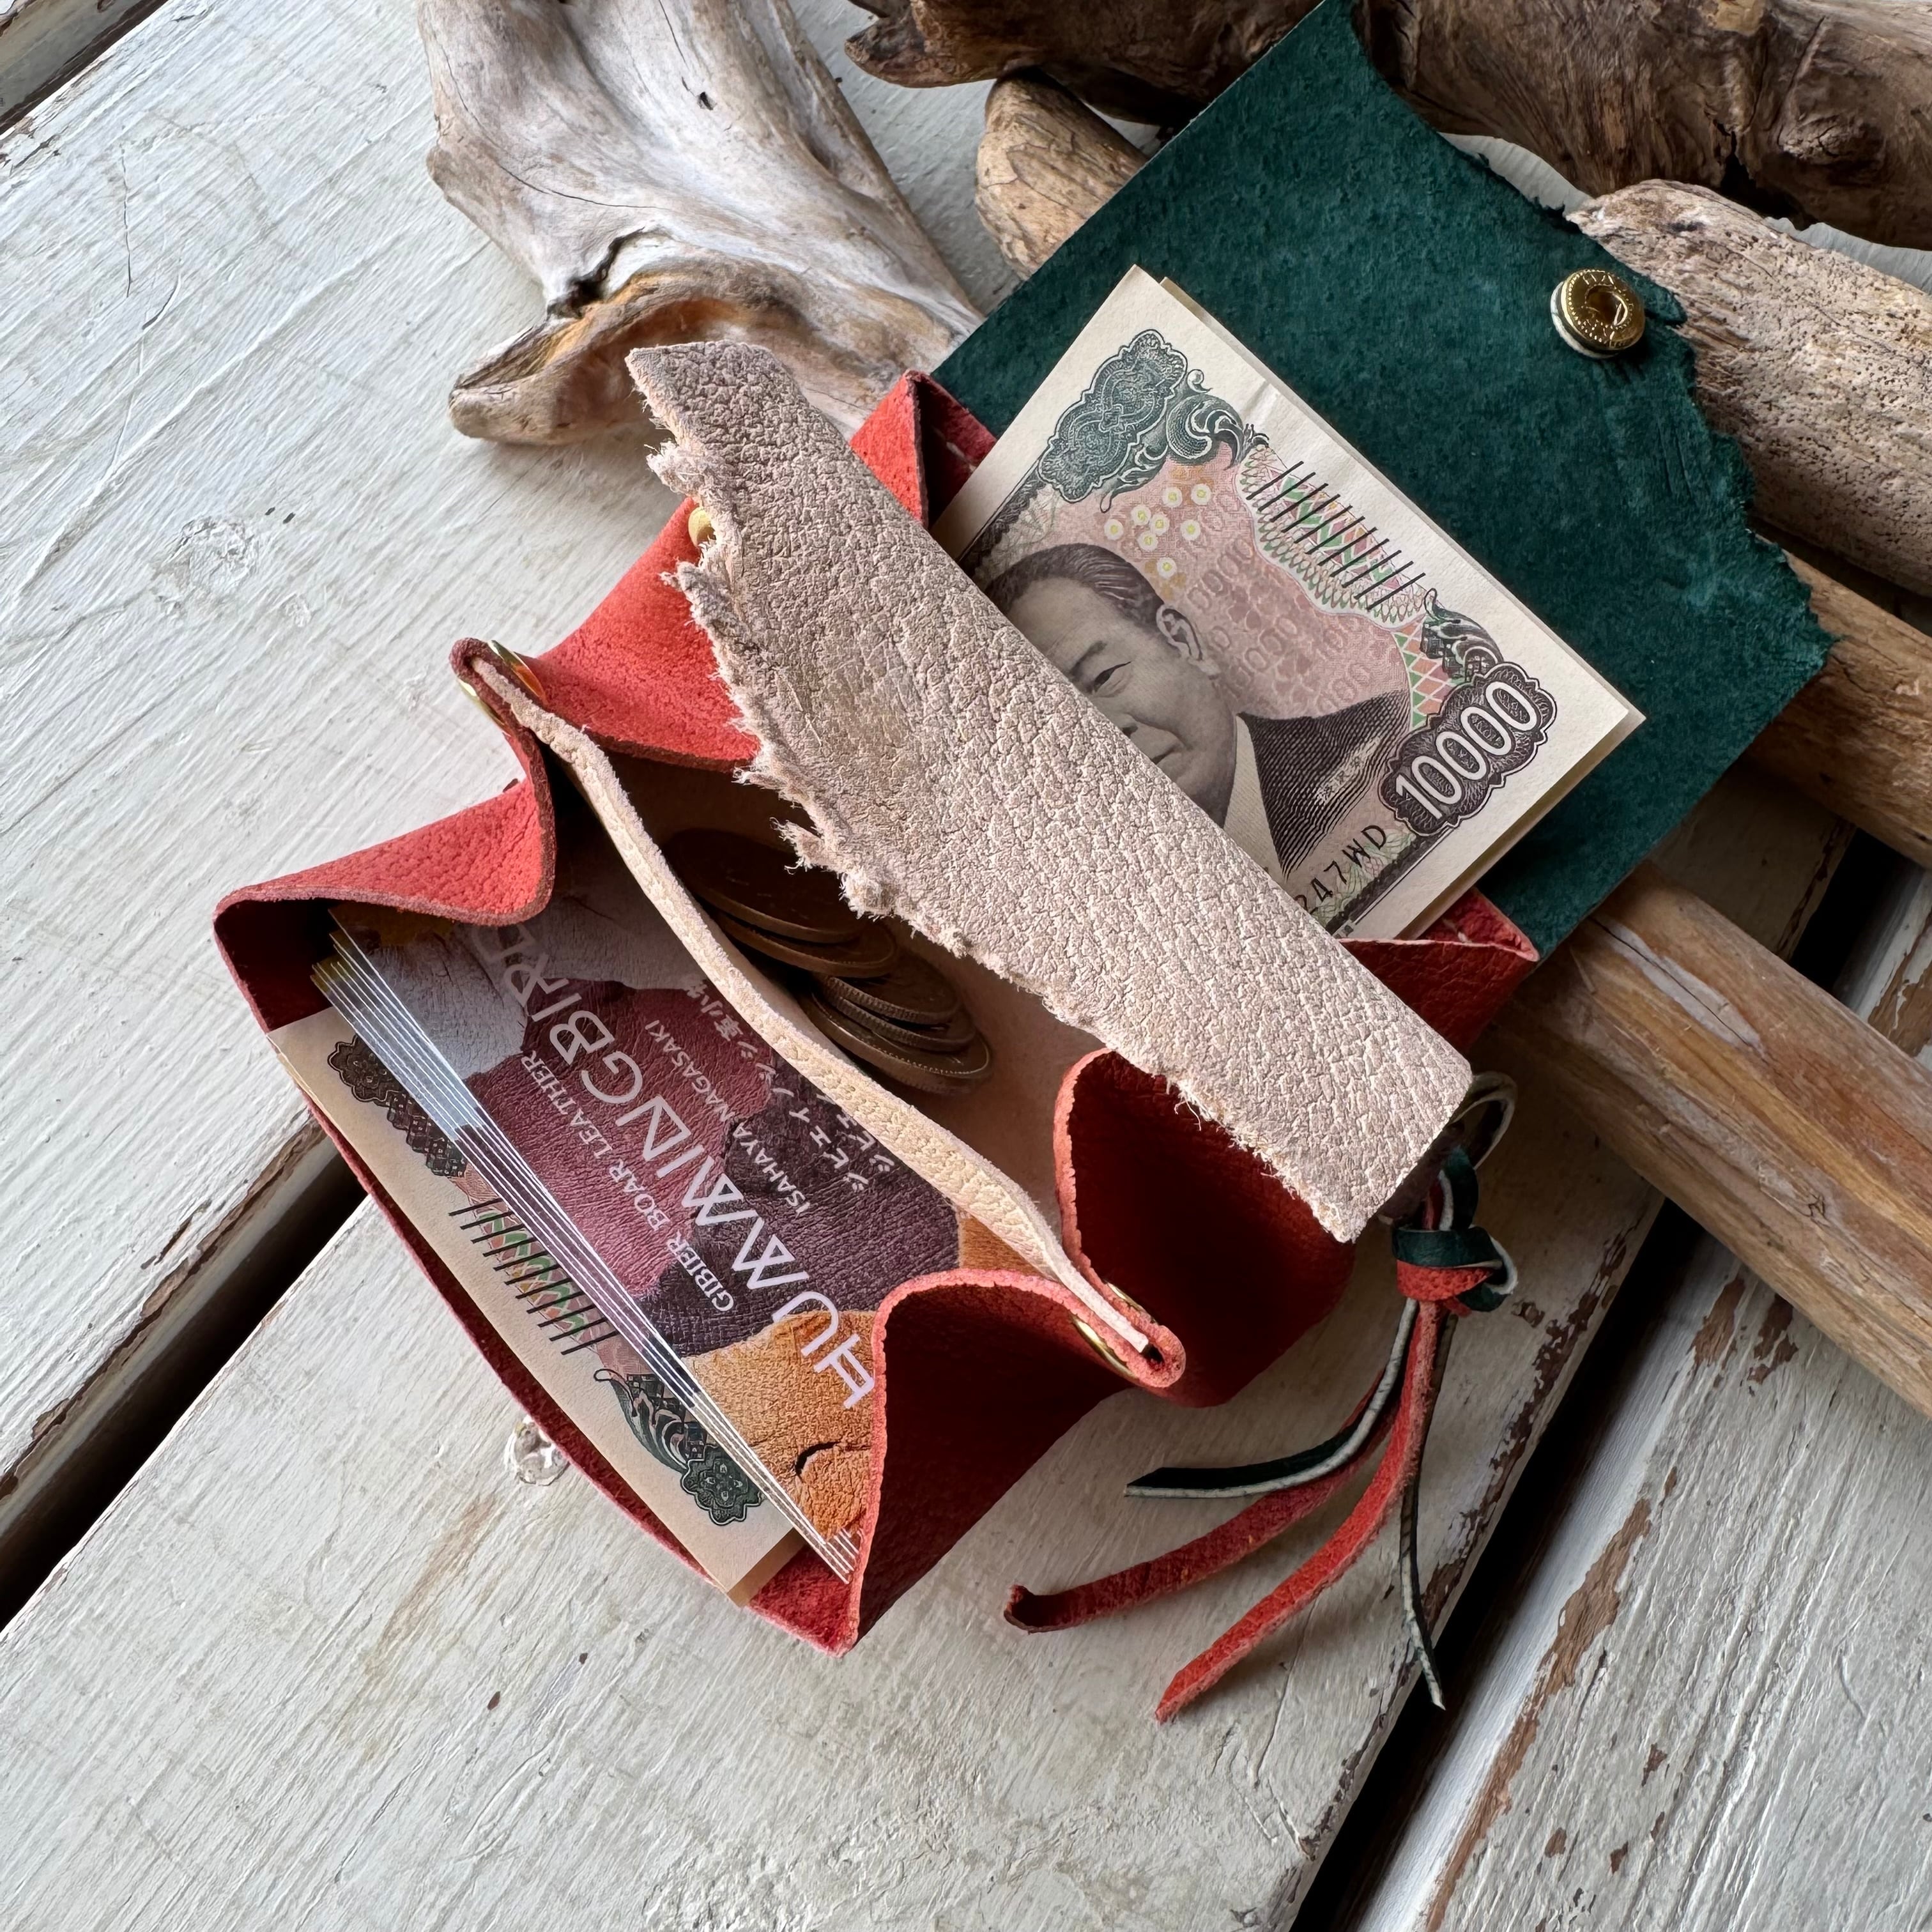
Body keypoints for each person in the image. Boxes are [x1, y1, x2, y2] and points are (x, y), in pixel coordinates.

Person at [985, 543, 1409, 885]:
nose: (1106, 731)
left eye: (1105, 676)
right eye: (1060, 726)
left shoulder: (1390, 742)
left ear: (1182, 641)